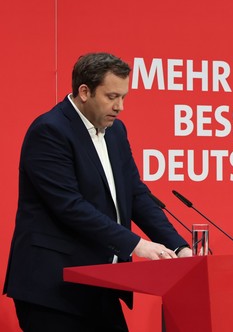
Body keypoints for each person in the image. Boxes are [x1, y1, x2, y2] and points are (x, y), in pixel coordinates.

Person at [3, 52, 193, 332]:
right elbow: (69, 206)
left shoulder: (116, 131)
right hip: (52, 289)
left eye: (124, 97)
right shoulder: (49, 131)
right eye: (112, 96)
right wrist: (136, 244)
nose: (120, 107)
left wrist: (178, 247)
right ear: (84, 91)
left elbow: (135, 193)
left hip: (99, 285)